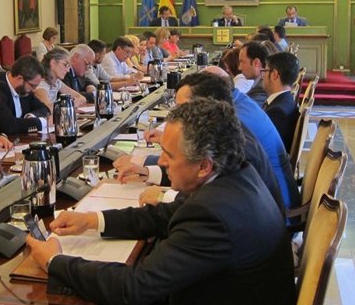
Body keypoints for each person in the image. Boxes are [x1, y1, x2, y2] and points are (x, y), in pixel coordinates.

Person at [26, 99, 295, 305]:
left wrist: (54, 262)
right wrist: (93, 221)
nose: (162, 161)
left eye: (169, 155)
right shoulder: (233, 176)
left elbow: (133, 287)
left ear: (203, 166)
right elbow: (162, 215)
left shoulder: (214, 214)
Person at [116, 72, 285, 216]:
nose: (178, 115)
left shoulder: (234, 143)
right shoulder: (228, 125)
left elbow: (215, 203)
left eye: (183, 108)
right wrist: (148, 172)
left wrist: (164, 196)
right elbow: (195, 172)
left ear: (204, 107)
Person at [0, 55, 51, 135]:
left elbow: (44, 108)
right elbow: (8, 125)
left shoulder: (24, 88)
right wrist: (41, 122)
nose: (34, 90)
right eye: (32, 85)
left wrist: (31, 116)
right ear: (20, 78)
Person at [263, 52, 301, 152]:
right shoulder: (287, 100)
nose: (263, 76)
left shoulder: (277, 112)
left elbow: (263, 148)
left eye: (265, 71)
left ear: (274, 75)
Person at [238, 41, 270, 106]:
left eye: (242, 62)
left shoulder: (261, 88)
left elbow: (246, 108)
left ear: (256, 63)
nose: (239, 68)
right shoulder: (260, 84)